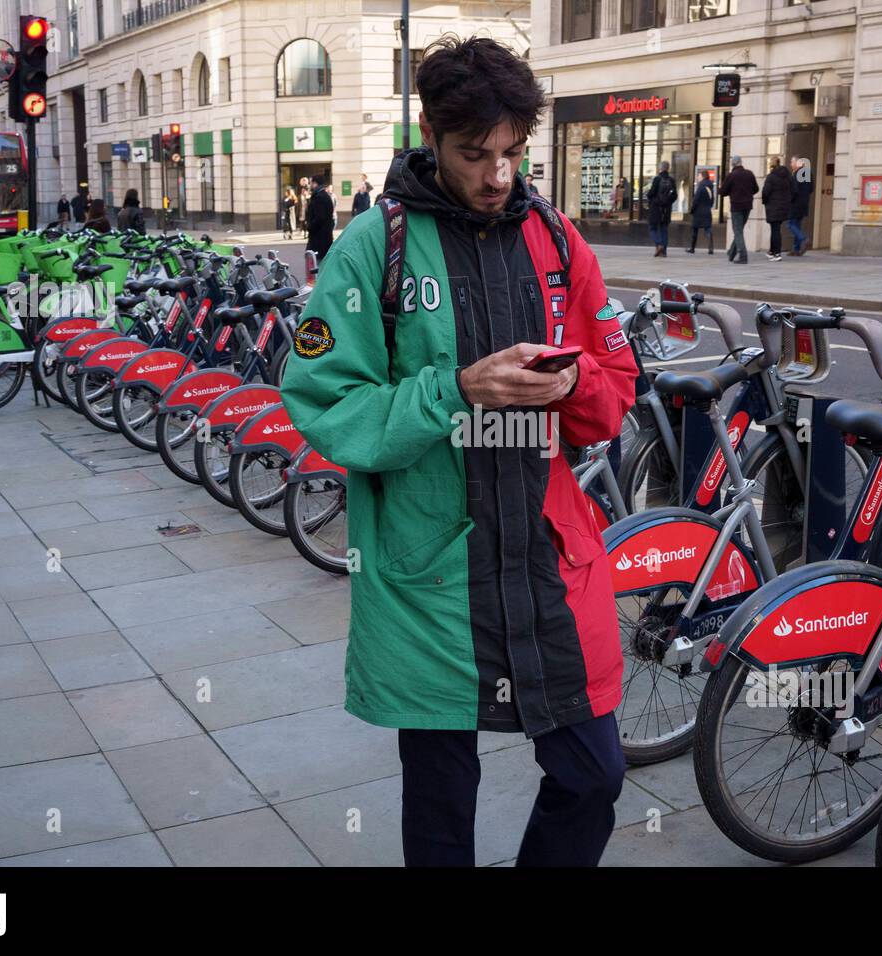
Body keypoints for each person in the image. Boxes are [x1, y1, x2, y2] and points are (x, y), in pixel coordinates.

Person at [280, 35, 637, 869]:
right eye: (476, 154)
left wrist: (572, 381)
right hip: (430, 570)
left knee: (594, 776)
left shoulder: (556, 240)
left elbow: (614, 391)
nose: (498, 175)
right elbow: (325, 403)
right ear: (432, 138)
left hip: (549, 564)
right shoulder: (374, 246)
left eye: (513, 153)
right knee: (442, 806)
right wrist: (455, 392)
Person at [718, 156, 757, 264]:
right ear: (740, 163)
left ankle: (743, 255)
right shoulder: (749, 174)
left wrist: (719, 189)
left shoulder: (732, 176)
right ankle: (731, 252)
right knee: (739, 230)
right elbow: (756, 189)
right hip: (747, 206)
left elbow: (723, 192)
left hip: (736, 207)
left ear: (733, 164)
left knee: (738, 231)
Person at [761, 156, 793, 261]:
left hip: (773, 206)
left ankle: (777, 254)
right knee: (775, 228)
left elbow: (765, 192)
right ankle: (772, 251)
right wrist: (788, 200)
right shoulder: (787, 175)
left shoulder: (771, 177)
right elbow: (794, 189)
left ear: (772, 164)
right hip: (784, 206)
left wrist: (765, 201)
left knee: (775, 230)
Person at [644, 161, 676, 257]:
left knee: (652, 228)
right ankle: (664, 252)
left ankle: (659, 244)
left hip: (656, 208)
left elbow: (651, 193)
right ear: (668, 169)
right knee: (664, 229)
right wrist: (668, 202)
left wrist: (651, 198)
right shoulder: (671, 180)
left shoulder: (657, 179)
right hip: (666, 209)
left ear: (660, 169)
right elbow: (675, 195)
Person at [787, 157, 813, 256]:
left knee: (791, 224)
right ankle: (796, 249)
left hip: (795, 203)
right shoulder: (808, 173)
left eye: (792, 162)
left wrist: (790, 199)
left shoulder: (797, 174)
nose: (791, 164)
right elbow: (811, 189)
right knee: (797, 224)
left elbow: (794, 190)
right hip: (804, 203)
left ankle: (803, 239)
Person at [305, 173, 335, 260]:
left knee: (316, 265)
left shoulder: (320, 197)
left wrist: (310, 227)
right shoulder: (322, 196)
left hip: (319, 239)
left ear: (315, 183)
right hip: (322, 237)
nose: (309, 185)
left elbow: (320, 218)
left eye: (311, 183)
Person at [687, 171, 714, 254]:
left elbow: (696, 199)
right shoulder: (710, 186)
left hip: (698, 211)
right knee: (708, 229)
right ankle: (710, 248)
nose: (697, 177)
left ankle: (692, 248)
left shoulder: (701, 186)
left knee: (694, 230)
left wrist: (692, 209)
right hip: (707, 210)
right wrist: (709, 206)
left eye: (698, 176)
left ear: (702, 176)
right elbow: (712, 199)